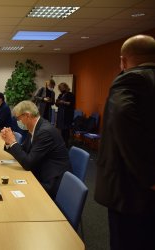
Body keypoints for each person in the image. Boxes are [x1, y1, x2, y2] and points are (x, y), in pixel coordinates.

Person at [95, 34, 155, 250]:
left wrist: (150, 177)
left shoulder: (130, 79)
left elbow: (123, 121)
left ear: (123, 60)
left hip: (129, 192)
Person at [0, 100, 71, 199]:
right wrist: (8, 142)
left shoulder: (45, 132)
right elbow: (24, 150)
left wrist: (13, 142)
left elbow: (28, 163)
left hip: (51, 181)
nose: (18, 122)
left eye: (18, 118)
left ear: (27, 116)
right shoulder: (35, 127)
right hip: (39, 170)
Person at [55, 82, 75, 147]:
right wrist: (57, 102)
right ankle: (62, 143)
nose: (60, 89)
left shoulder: (71, 94)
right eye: (60, 88)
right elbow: (57, 104)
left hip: (67, 115)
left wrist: (63, 102)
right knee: (61, 129)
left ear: (65, 87)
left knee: (66, 130)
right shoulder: (60, 95)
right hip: (61, 114)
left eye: (61, 88)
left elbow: (71, 103)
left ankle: (66, 144)